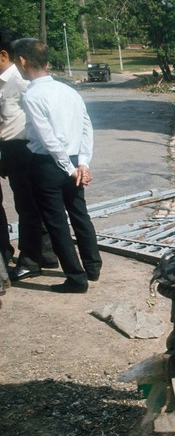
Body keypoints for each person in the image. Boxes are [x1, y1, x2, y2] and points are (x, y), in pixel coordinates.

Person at [13, 38, 101, 293]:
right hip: (74, 159)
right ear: (47, 61)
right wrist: (82, 163)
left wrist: (69, 167)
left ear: (22, 61)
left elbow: (47, 138)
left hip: (49, 164)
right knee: (79, 213)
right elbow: (86, 127)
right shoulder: (69, 91)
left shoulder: (33, 95)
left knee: (56, 222)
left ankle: (76, 277)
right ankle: (92, 266)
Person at [0, 26, 58, 280]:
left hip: (24, 148)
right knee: (29, 204)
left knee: (28, 206)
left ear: (4, 55)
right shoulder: (6, 81)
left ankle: (30, 259)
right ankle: (46, 254)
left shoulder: (20, 80)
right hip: (11, 149)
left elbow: (46, 108)